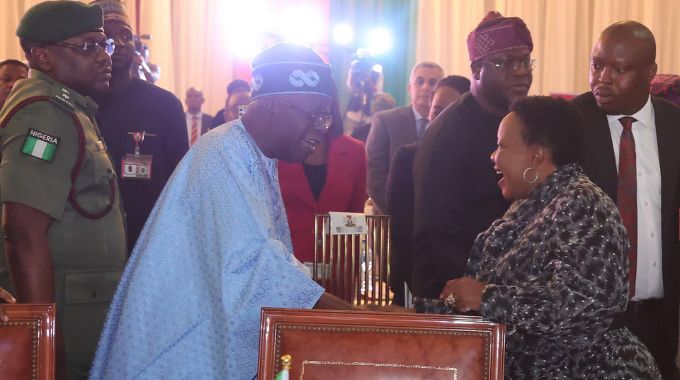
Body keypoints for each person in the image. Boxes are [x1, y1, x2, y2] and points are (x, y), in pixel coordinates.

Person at [89, 43, 354, 380]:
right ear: (272, 105)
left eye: (327, 116)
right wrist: (359, 320)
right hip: (174, 358)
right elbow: (257, 269)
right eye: (315, 113)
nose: (323, 126)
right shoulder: (222, 154)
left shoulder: (251, 153)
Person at [441, 96, 661, 378]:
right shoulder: (533, 203)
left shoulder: (583, 203)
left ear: (536, 155)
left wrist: (487, 297)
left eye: (501, 145)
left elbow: (583, 306)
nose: (493, 157)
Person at [0, 2, 126, 378]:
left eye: (104, 45)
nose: (104, 57)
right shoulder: (44, 114)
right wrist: (43, 341)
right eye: (87, 46)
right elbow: (24, 233)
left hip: (84, 310)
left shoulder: (72, 108)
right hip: (65, 323)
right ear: (42, 56)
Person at [572, 21, 680, 379]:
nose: (602, 78)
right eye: (597, 64)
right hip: (587, 321)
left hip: (658, 320)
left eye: (619, 69)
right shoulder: (570, 124)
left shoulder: (675, 126)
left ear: (650, 72)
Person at [412, 11, 533, 299]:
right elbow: (436, 236)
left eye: (525, 61)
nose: (520, 71)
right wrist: (488, 293)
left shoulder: (522, 122)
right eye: (504, 62)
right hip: (459, 298)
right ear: (476, 69)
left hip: (508, 297)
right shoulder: (449, 133)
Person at [90, 0, 188, 254]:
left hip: (149, 244)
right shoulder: (77, 102)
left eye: (126, 36)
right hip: (89, 244)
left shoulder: (165, 105)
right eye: (107, 37)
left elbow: (180, 184)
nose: (119, 44)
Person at [278, 84, 367, 265]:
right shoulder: (277, 148)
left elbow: (354, 217)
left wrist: (350, 267)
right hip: (285, 266)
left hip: (337, 266)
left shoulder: (354, 150)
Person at [366, 61, 444, 215]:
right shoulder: (385, 121)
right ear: (410, 88)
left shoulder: (447, 124)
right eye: (419, 81)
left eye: (433, 82)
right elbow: (374, 175)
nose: (426, 87)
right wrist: (401, 213)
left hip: (435, 220)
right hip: (390, 218)